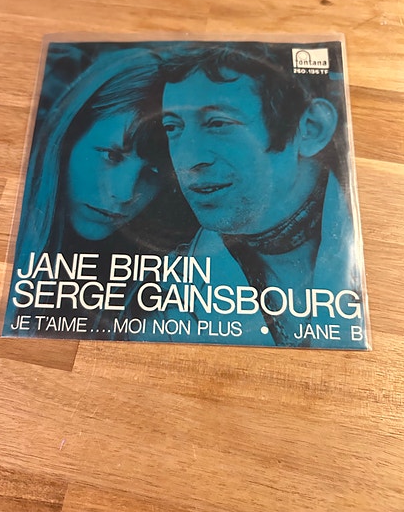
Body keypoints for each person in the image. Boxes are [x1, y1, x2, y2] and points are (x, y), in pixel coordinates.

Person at [128, 42, 366, 348]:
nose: (187, 162)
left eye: (218, 123)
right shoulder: (163, 295)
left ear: (310, 128)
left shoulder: (374, 241)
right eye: (173, 127)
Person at [2, 45, 197, 338]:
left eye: (154, 172)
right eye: (111, 155)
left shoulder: (167, 278)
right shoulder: (9, 230)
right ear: (67, 139)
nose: (124, 194)